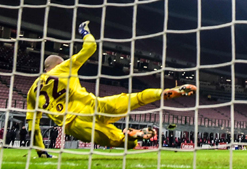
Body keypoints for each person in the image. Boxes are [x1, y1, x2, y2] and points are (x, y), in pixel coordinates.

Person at [26, 21, 196, 158]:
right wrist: (84, 32)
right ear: (58, 64)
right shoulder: (63, 68)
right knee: (135, 98)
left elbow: (32, 125)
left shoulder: (31, 93)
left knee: (121, 141)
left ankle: (131, 135)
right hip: (95, 105)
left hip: (75, 123)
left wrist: (41, 150)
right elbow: (90, 47)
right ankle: (164, 92)